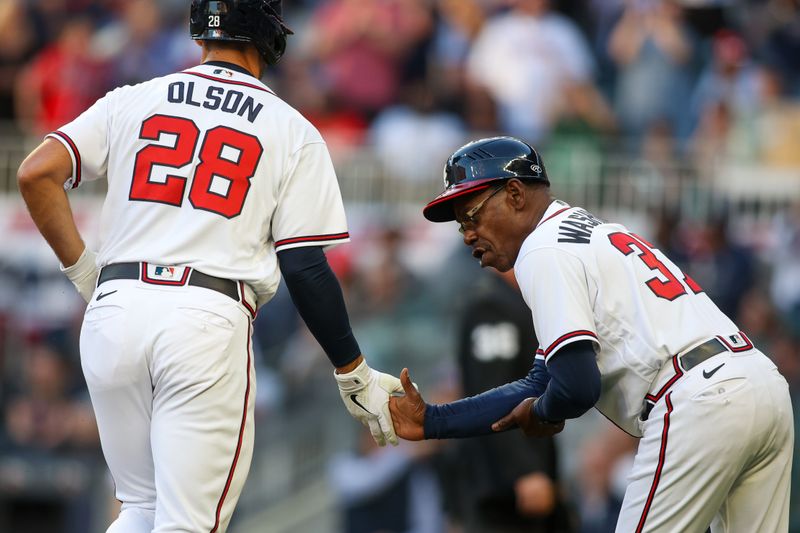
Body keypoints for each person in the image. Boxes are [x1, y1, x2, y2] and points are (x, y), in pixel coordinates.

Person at [16, 2, 402, 532]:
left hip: (115, 312)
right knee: (186, 523)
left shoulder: (134, 97)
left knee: (140, 509)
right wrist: (352, 370)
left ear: (201, 33)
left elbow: (37, 173)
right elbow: (305, 267)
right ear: (270, 37)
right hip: (204, 315)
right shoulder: (290, 127)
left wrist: (86, 274)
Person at [389, 136, 794, 532]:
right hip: (762, 383)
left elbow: (577, 387)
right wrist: (433, 421)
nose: (466, 234)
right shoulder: (587, 232)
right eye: (461, 225)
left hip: (700, 400)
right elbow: (542, 380)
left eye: (471, 215)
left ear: (514, 193)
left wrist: (543, 412)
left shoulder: (541, 250)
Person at [449, 267, 572, 533]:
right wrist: (523, 471)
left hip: (525, 476)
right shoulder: (492, 307)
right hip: (502, 492)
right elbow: (492, 394)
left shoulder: (518, 302)